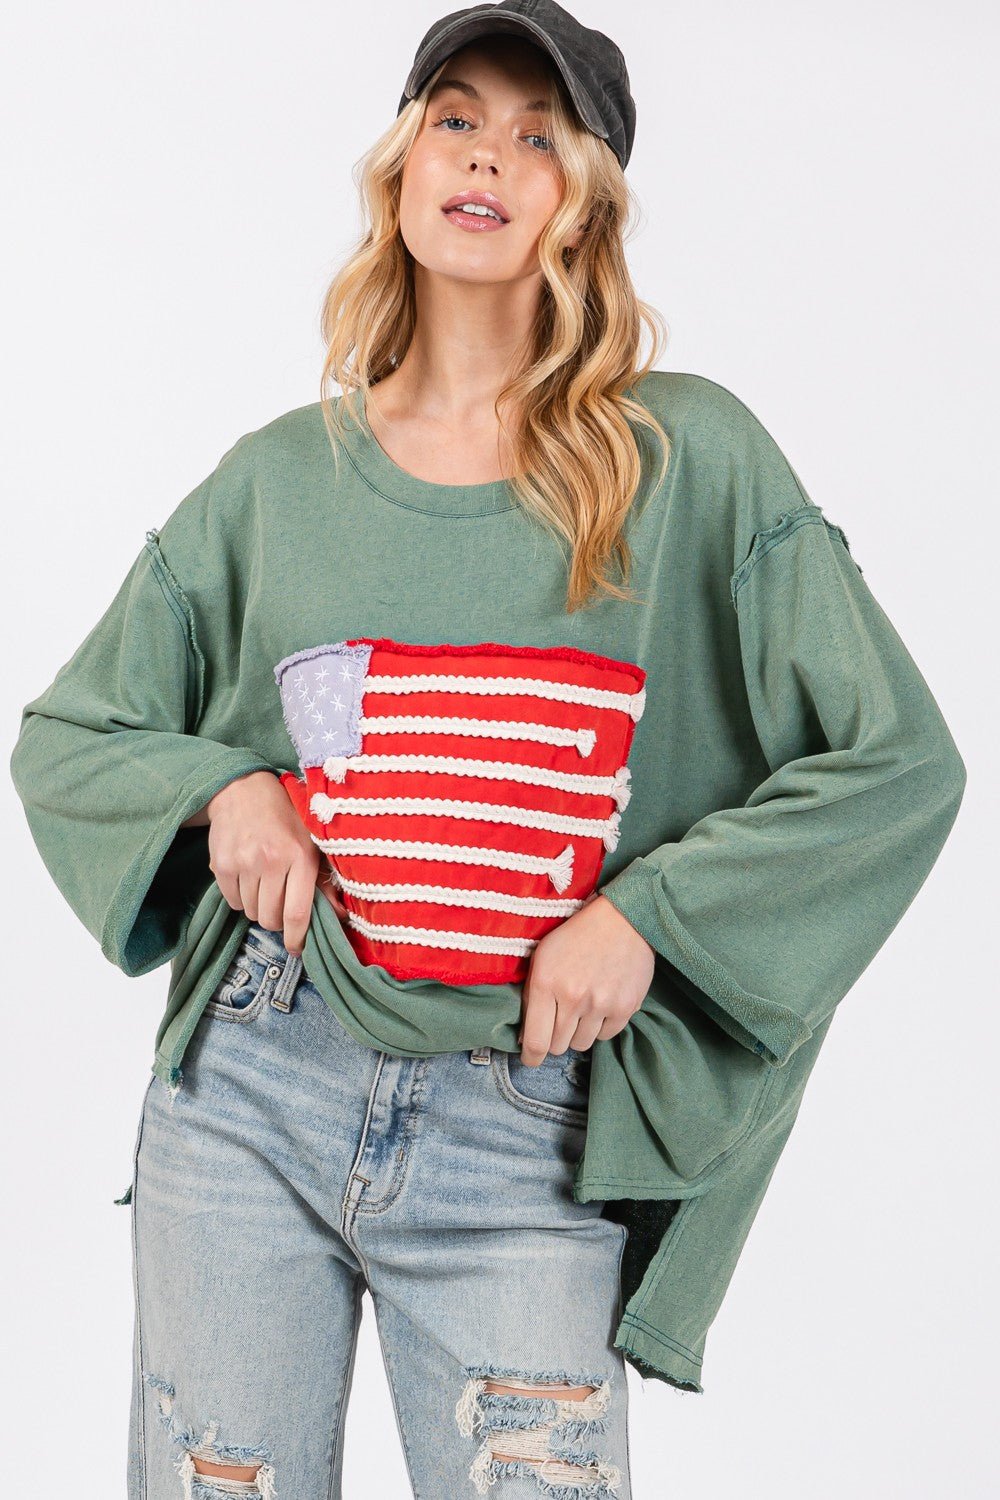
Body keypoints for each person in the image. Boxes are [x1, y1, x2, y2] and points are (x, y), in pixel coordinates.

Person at [8, 2, 967, 1497]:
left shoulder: (686, 460)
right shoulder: (276, 481)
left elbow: (898, 764)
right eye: (456, 120)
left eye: (538, 136)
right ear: (402, 164)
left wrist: (648, 919)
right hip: (252, 1086)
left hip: (526, 1124)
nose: (487, 158)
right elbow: (71, 734)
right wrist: (222, 788)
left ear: (584, 200)